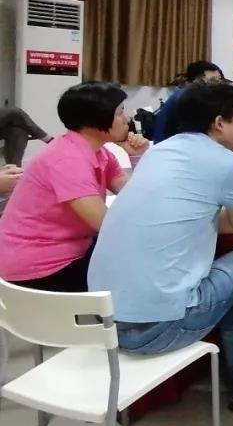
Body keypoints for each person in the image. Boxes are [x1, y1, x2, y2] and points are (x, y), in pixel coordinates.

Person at [88, 82, 233, 413]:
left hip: (102, 321)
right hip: (160, 326)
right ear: (219, 123)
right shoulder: (228, 164)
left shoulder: (159, 151)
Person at [0, 83, 147, 292]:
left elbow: (133, 196)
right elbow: (107, 225)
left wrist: (136, 157)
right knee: (140, 271)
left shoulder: (99, 152)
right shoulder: (68, 160)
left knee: (138, 257)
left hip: (70, 248)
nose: (128, 119)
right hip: (39, 268)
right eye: (120, 112)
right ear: (94, 120)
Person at [152, 60, 223, 142]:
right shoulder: (187, 97)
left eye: (219, 80)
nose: (218, 85)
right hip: (172, 144)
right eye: (212, 80)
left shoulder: (188, 94)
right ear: (197, 80)